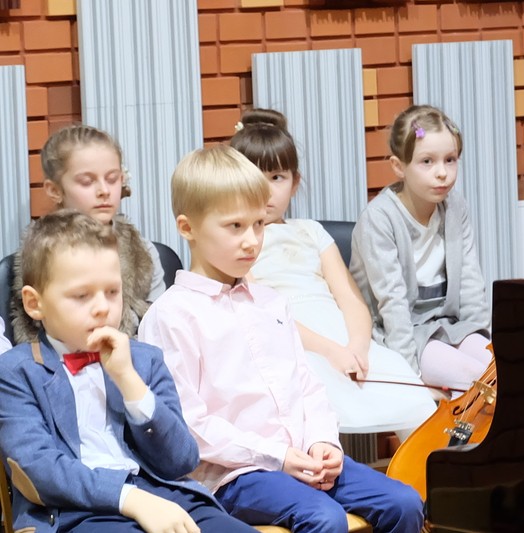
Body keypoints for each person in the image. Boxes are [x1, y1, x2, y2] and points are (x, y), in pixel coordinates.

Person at [138, 145, 423, 532]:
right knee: (323, 518)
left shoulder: (271, 302)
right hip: (235, 473)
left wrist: (323, 442)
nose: (252, 240)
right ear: (187, 228)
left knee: (405, 502)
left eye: (258, 224)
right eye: (235, 227)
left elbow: (307, 385)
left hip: (303, 456)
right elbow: (190, 425)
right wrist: (279, 456)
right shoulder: (171, 316)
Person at [0, 210, 254, 532]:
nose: (102, 307)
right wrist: (130, 498)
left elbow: (182, 460)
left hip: (167, 497)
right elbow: (41, 470)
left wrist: (129, 381)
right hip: (77, 512)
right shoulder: (16, 372)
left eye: (112, 291)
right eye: (81, 295)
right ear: (34, 303)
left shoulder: (145, 360)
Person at [230, 108, 435, 436]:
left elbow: (350, 299)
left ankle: (429, 466)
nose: (266, 190)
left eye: (277, 177)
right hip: (287, 337)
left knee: (406, 388)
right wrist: (329, 351)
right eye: (254, 178)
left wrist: (359, 346)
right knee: (311, 390)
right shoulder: (238, 241)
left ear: (295, 182)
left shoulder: (311, 232)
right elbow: (262, 312)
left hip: (340, 331)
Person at [350, 104, 492, 394]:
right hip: (405, 334)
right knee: (475, 379)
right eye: (427, 162)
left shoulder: (455, 206)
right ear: (398, 166)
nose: (442, 173)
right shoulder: (379, 218)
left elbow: (470, 281)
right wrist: (410, 377)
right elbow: (392, 303)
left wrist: (482, 336)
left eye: (450, 160)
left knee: (500, 370)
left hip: (450, 325)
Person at [11, 125, 165, 343]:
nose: (104, 190)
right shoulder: (40, 254)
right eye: (87, 181)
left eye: (112, 179)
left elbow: (158, 327)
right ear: (54, 190)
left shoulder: (144, 252)